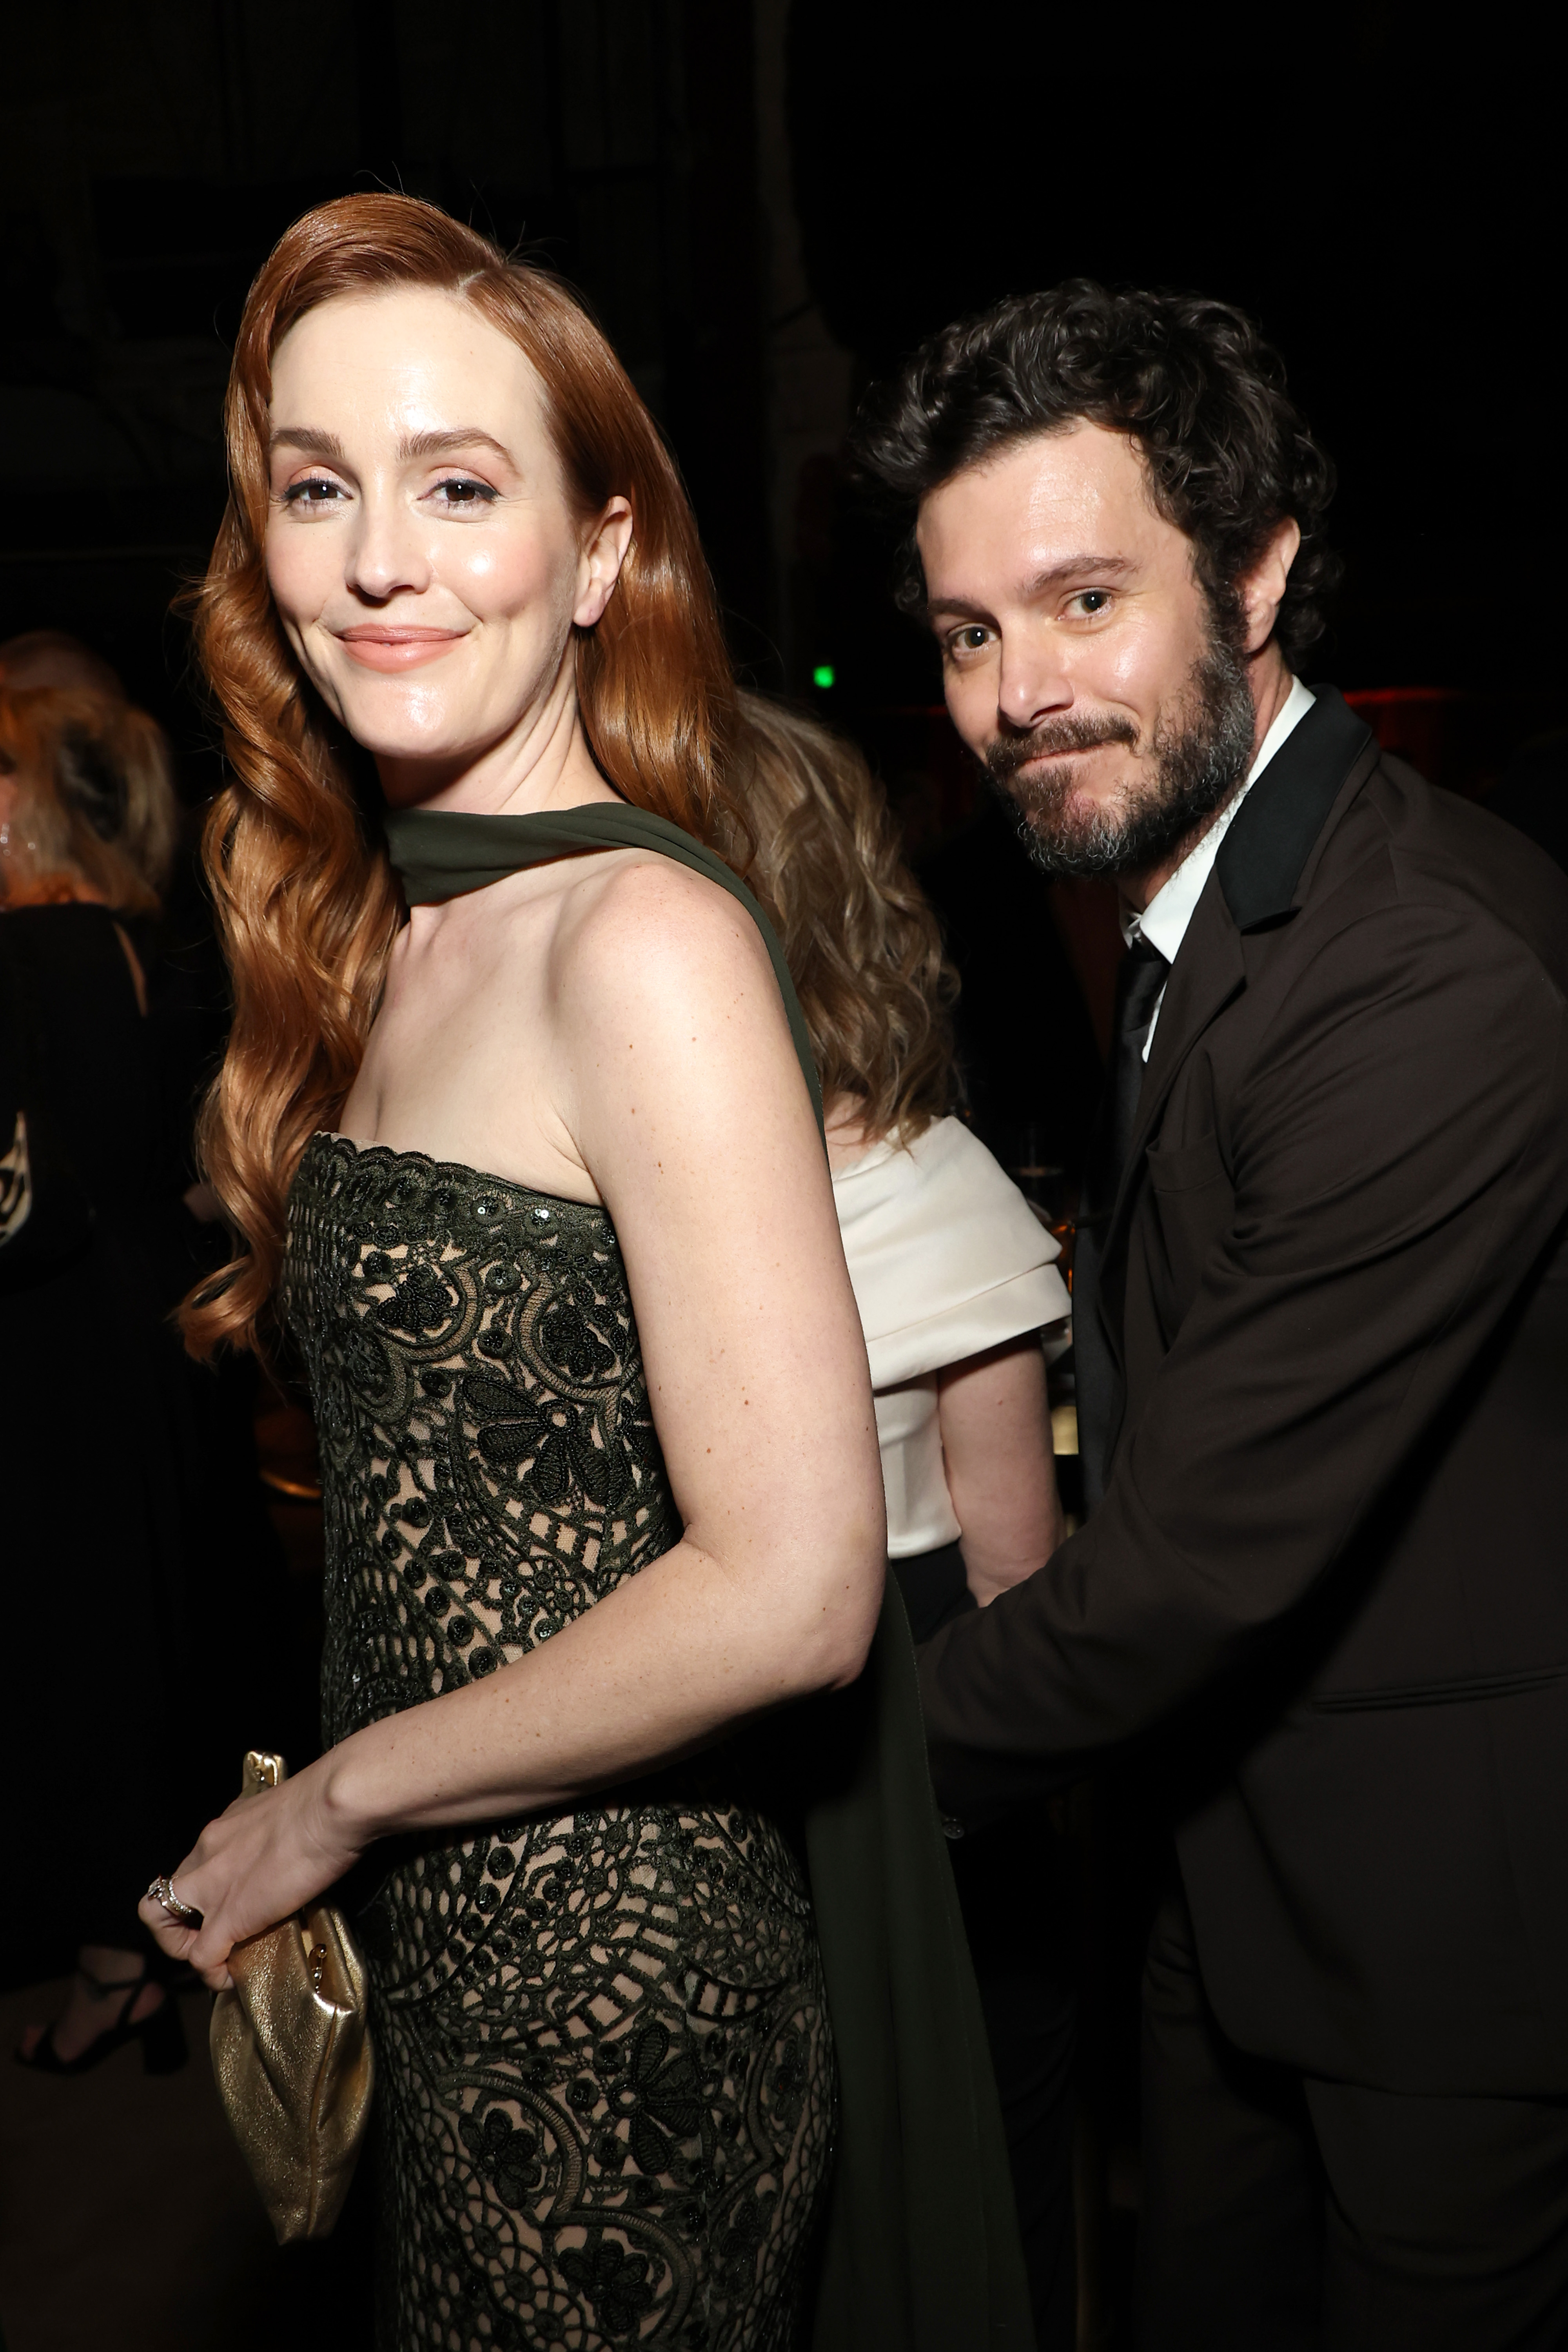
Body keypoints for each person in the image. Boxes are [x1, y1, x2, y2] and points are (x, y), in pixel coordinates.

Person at [140, 196, 1030, 2352]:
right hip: (444, 1941)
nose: (379, 558)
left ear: (604, 547)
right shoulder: (409, 928)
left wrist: (343, 1795)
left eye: (461, 486)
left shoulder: (644, 939)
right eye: (319, 488)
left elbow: (799, 1588)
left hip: (612, 1990)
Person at [849, 281, 1568, 2350]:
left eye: (1083, 602)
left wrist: (769, 1777)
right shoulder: (1209, 896)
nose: (1017, 693)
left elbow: (1184, 1572)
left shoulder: (1423, 968)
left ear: (1257, 578)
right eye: (972, 633)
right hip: (1229, 1882)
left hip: (1446, 1949)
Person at [735, 688, 1080, 2344]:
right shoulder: (920, 1189)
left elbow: (1012, 1579)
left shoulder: (926, 1196)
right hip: (835, 1707)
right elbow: (1022, 1574)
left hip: (870, 1724)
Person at [2, 681, 189, 2068]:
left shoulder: (20, 951)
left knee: (76, 1656)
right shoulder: (130, 940)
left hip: (53, 1347)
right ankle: (145, 1937)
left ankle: (112, 1959)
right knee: (144, 1634)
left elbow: (18, 1204)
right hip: (147, 1333)